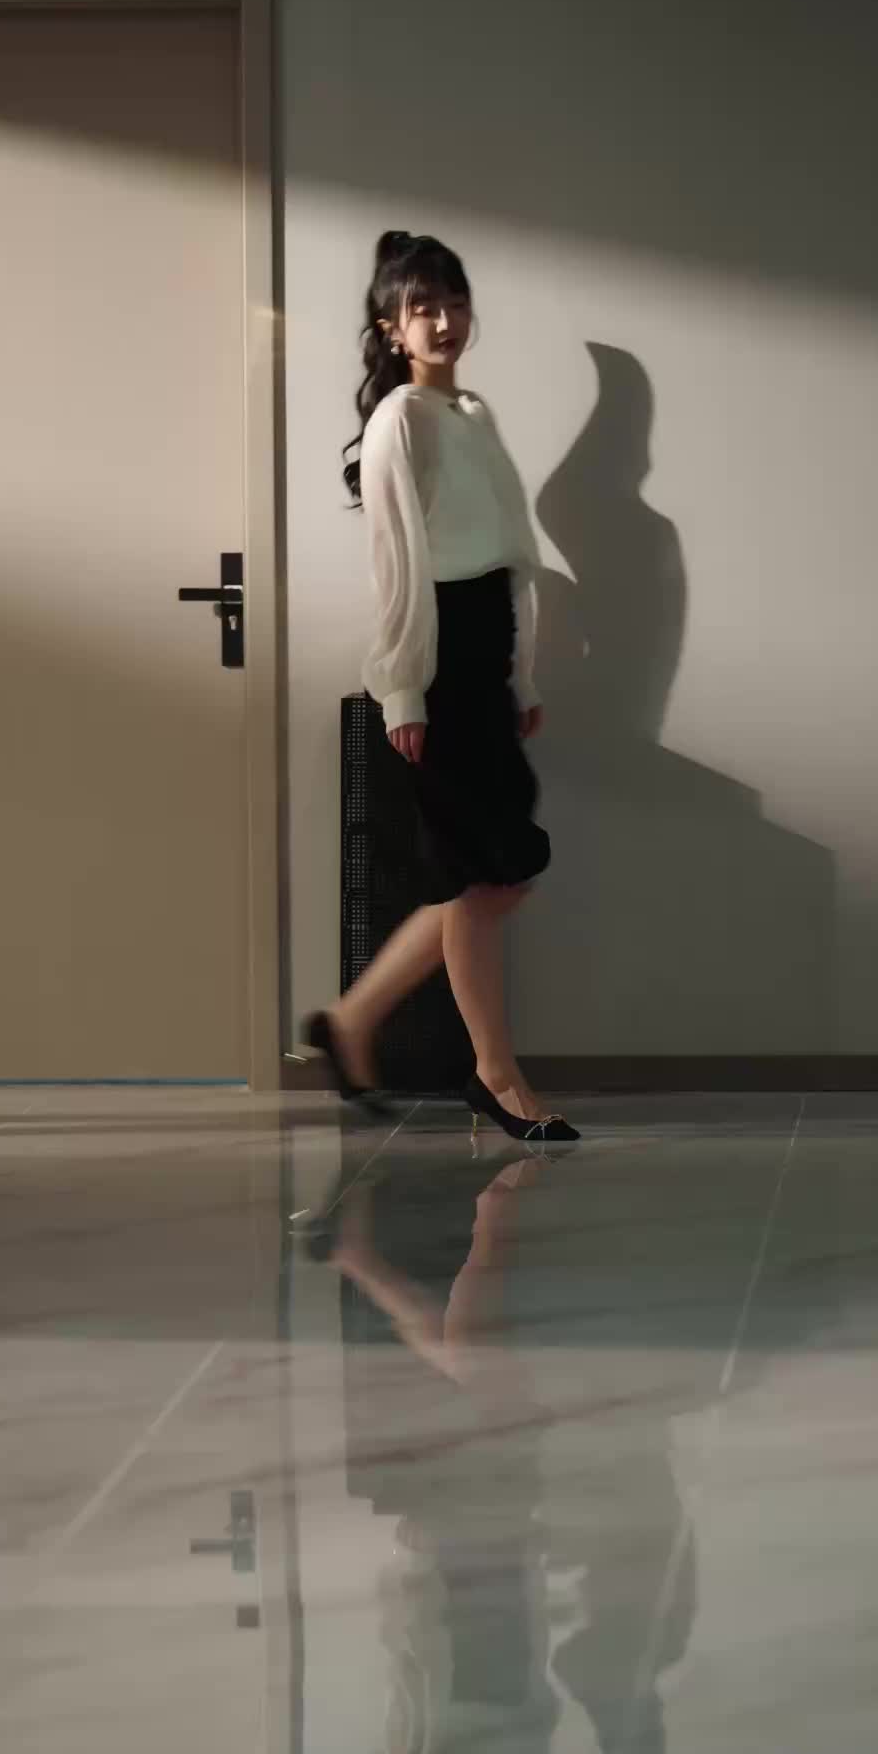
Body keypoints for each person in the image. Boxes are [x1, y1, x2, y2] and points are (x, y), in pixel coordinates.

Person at [305, 230, 577, 1145]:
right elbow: (398, 568)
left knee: (489, 877)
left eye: (455, 302)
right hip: (440, 658)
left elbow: (508, 554)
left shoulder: (470, 411)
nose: (444, 320)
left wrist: (521, 676)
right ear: (392, 326)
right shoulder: (400, 422)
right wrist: (403, 693)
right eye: (423, 306)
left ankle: (351, 1020)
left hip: (486, 653)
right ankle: (495, 1076)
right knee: (478, 877)